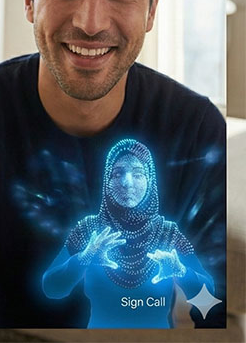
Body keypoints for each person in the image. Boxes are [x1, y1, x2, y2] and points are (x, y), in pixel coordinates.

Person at [0, 0, 226, 328]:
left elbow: (211, 312)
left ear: (151, 10)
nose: (90, 22)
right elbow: (51, 287)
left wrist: (187, 279)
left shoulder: (196, 130)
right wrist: (83, 256)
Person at [41, 139, 214, 327]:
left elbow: (207, 300)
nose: (127, 182)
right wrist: (85, 257)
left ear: (150, 181)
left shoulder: (168, 233)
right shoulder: (89, 229)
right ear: (108, 180)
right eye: (118, 173)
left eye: (138, 174)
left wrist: (180, 271)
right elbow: (51, 288)